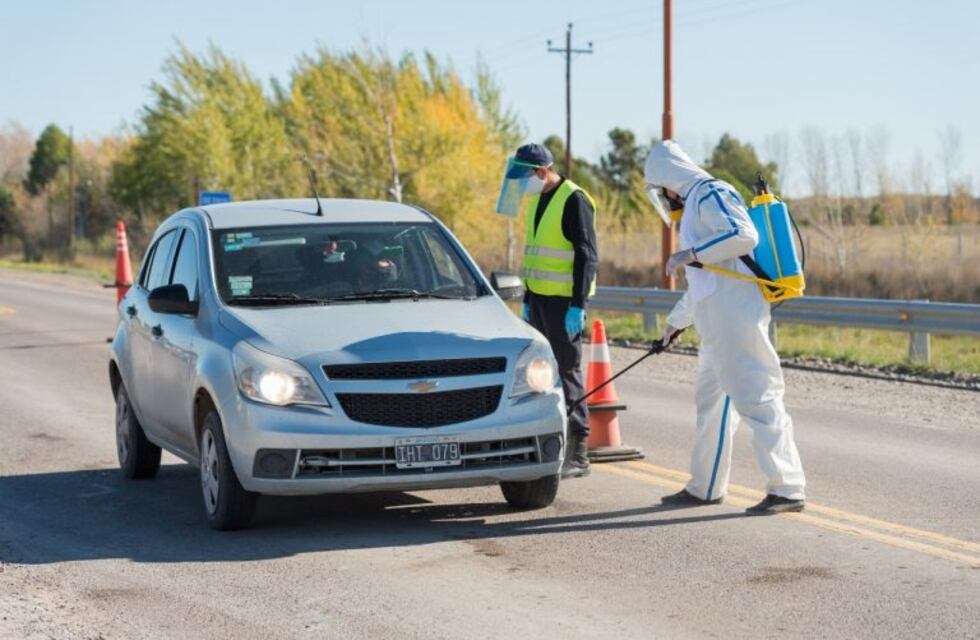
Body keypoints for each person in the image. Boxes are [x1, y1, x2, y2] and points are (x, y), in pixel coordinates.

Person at [643, 140, 806, 515]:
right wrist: (675, 323)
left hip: (737, 319)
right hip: (716, 326)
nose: (665, 198)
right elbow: (704, 283)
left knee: (759, 398)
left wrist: (690, 254)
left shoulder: (711, 192)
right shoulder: (695, 207)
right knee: (712, 407)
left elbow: (744, 235)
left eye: (662, 190)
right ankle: (705, 487)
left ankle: (787, 488)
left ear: (669, 180)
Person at [509, 143, 598, 479]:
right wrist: (528, 297)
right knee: (540, 373)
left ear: (542, 172)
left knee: (568, 371)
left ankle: (579, 452)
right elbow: (534, 254)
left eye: (525, 177)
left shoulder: (574, 199)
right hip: (540, 301)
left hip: (564, 304)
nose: (522, 184)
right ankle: (549, 444)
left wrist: (578, 305)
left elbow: (587, 256)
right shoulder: (536, 201)